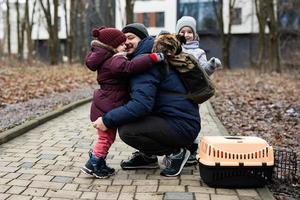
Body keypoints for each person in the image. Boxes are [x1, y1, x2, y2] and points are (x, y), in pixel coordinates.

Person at [94, 23, 201, 177]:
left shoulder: (146, 64)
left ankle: (176, 153)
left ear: (143, 39)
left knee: (127, 130)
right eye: (124, 40)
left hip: (180, 125)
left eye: (131, 37)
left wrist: (107, 119)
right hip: (179, 121)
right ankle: (148, 156)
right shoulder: (142, 59)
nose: (127, 42)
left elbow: (141, 106)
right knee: (132, 119)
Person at [81, 26, 164, 179]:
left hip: (104, 105)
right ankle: (95, 163)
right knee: (105, 139)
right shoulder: (115, 59)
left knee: (106, 139)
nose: (125, 46)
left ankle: (94, 162)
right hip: (107, 108)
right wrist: (152, 58)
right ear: (113, 47)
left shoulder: (108, 59)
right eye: (121, 44)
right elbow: (130, 67)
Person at [176, 16, 222, 165]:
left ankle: (191, 148)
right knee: (176, 119)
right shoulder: (175, 48)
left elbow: (204, 71)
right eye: (183, 31)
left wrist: (211, 65)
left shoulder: (199, 51)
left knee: (191, 119)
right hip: (176, 91)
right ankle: (178, 149)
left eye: (190, 31)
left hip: (194, 93)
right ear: (178, 33)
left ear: (195, 34)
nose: (186, 34)